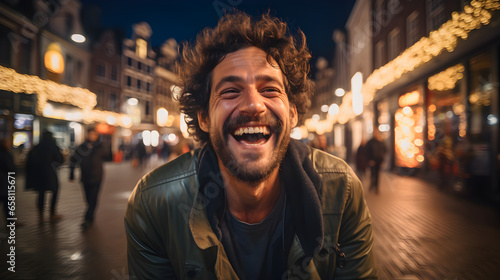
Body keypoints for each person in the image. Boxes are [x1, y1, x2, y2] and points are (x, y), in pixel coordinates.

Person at [125, 11, 377, 279]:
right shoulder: (153, 203)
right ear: (204, 118)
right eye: (231, 91)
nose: (254, 105)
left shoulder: (343, 189)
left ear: (292, 113)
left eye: (269, 89)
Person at [70, 128, 108, 231]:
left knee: (93, 198)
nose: (92, 136)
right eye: (91, 134)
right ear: (88, 135)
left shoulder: (100, 147)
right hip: (85, 177)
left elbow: (107, 155)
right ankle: (90, 216)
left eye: (94, 135)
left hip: (97, 177)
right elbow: (73, 160)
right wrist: (71, 173)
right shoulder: (82, 147)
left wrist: (98, 145)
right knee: (87, 199)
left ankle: (87, 219)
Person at [26, 131, 64, 223]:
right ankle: (52, 213)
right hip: (50, 173)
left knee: (41, 193)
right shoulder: (53, 146)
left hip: (39, 174)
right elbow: (60, 159)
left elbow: (29, 161)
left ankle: (41, 216)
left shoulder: (36, 147)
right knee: (54, 191)